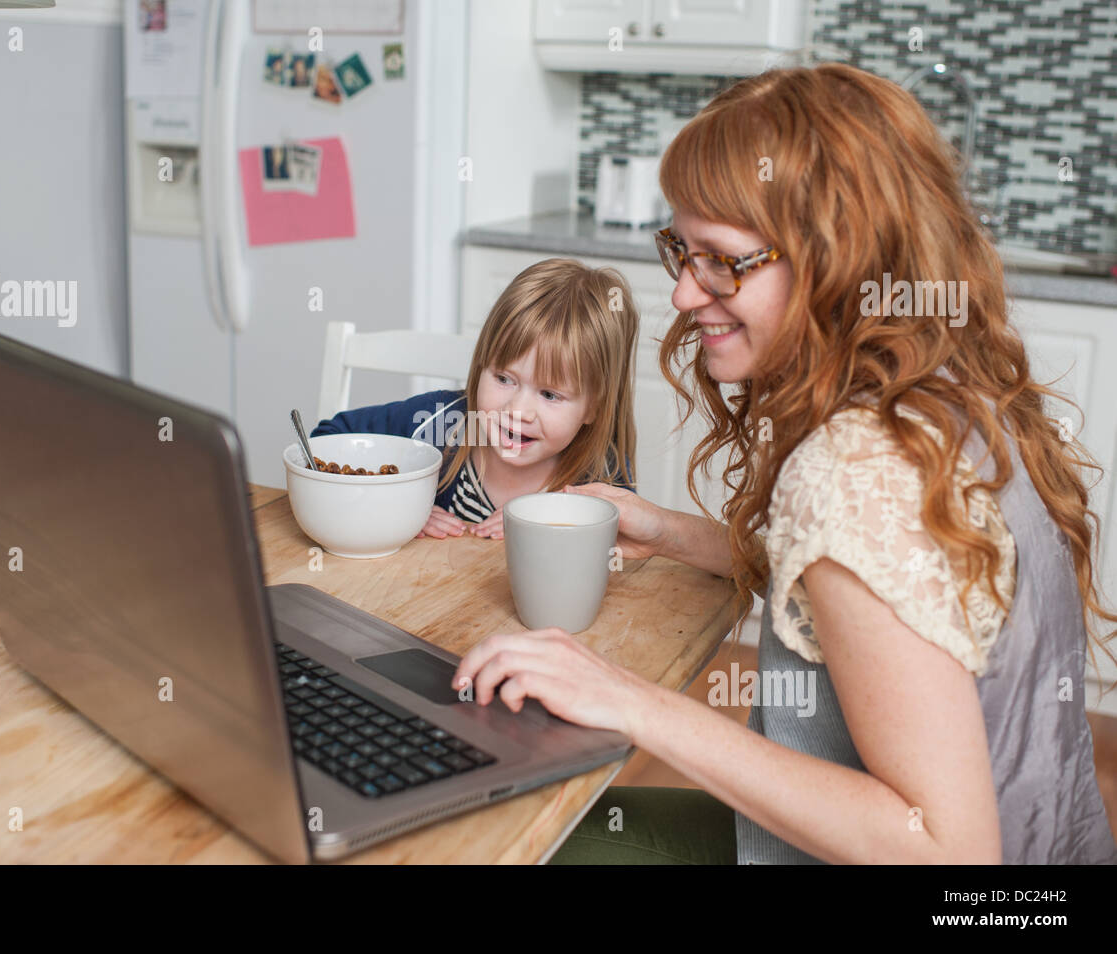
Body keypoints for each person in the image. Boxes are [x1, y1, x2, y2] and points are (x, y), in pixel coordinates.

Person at [451, 63, 1117, 864]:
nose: (686, 295)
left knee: (495, 839)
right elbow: (881, 597)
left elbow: (947, 849)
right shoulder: (947, 392)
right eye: (682, 252)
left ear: (836, 259)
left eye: (723, 260)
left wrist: (633, 701)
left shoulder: (853, 467)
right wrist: (666, 532)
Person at [310, 258, 639, 540]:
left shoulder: (601, 474)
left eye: (550, 394)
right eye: (504, 379)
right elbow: (324, 441)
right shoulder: (437, 422)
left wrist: (555, 527)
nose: (518, 411)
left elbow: (624, 548)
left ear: (594, 407)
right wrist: (398, 509)